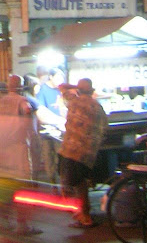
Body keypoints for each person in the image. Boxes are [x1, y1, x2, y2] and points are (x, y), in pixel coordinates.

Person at [58, 78, 108, 228]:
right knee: (82, 182)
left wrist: (77, 87)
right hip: (88, 152)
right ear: (92, 91)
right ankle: (83, 212)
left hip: (71, 149)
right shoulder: (98, 107)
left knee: (75, 183)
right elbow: (105, 127)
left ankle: (85, 215)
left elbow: (62, 87)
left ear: (79, 91)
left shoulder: (74, 102)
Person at [0, 74, 39, 180]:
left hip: (3, 146)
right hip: (19, 146)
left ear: (8, 86)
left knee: (7, 177)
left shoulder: (1, 101)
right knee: (23, 178)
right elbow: (27, 112)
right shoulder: (22, 101)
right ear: (20, 86)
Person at [35, 68, 67, 183]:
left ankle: (62, 181)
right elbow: (41, 110)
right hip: (47, 130)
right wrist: (56, 120)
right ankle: (52, 182)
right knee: (48, 156)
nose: (60, 81)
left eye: (62, 78)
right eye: (58, 78)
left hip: (61, 130)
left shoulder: (62, 90)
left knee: (61, 156)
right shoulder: (42, 90)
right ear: (51, 77)